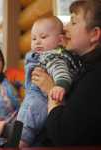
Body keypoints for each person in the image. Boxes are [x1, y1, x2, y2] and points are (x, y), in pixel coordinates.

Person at [31, 0, 101, 146]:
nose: (65, 28)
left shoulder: (95, 77)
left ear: (94, 34)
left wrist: (52, 91)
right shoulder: (81, 65)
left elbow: (63, 135)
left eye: (73, 22)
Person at [17, 16, 82, 147]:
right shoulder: (45, 54)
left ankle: (21, 142)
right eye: (34, 38)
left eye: (43, 37)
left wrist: (59, 86)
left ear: (59, 40)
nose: (37, 42)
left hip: (41, 100)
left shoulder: (53, 56)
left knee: (26, 126)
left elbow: (61, 72)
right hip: (41, 102)